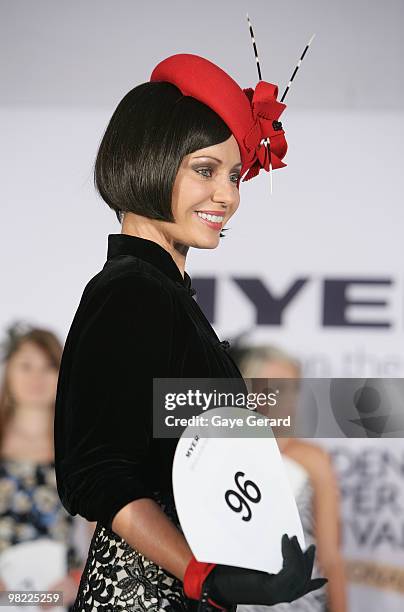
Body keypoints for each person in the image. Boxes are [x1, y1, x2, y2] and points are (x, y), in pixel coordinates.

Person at [54, 53, 326, 611]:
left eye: (234, 175)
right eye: (205, 170)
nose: (228, 197)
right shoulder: (132, 292)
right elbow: (101, 473)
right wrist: (206, 576)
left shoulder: (165, 295)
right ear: (147, 162)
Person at [231, 344, 347, 612]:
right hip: (242, 598)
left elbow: (330, 555)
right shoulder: (225, 457)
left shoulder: (314, 459)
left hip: (302, 602)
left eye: (293, 389)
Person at [0, 322, 95, 610]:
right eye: (26, 366)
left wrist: (79, 579)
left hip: (58, 595)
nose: (36, 377)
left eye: (48, 367)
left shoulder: (79, 447)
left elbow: (99, 526)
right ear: (9, 371)